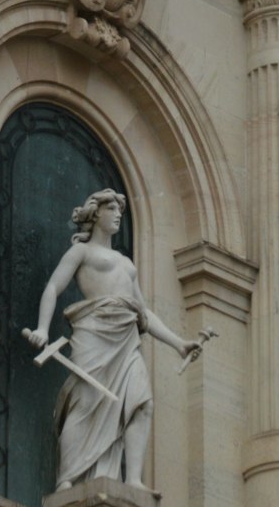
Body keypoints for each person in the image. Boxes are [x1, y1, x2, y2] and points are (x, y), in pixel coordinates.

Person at [23, 189, 200, 491]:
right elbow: (53, 287)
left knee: (142, 403)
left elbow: (144, 313)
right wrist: (42, 328)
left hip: (127, 338)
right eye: (112, 209)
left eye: (120, 209)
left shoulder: (125, 263)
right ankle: (68, 478)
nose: (119, 214)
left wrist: (178, 343)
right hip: (93, 334)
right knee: (87, 401)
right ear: (96, 214)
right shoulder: (82, 252)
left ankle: (132, 479)